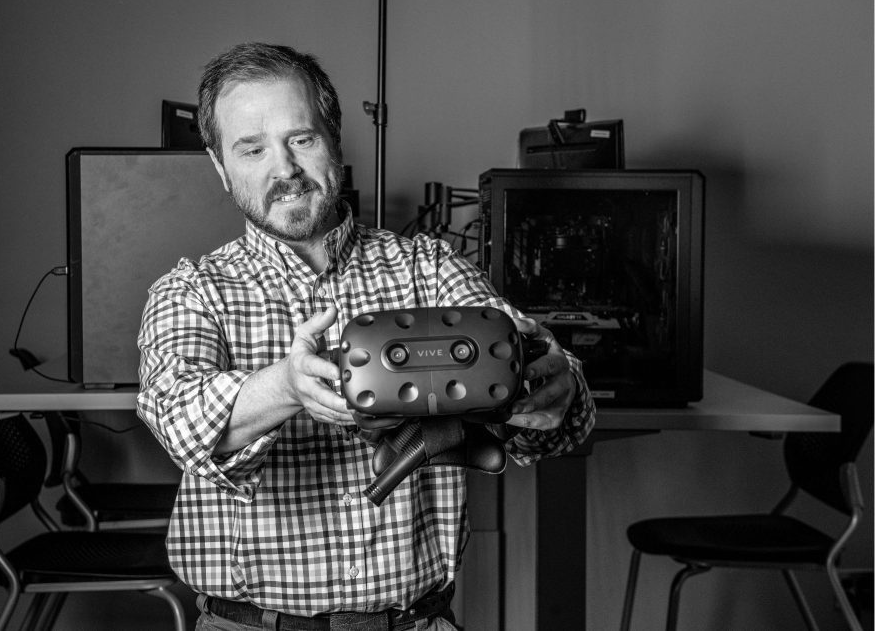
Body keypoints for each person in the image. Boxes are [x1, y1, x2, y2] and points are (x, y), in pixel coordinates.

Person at [137, 42, 595, 630]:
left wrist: (554, 385)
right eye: (252, 149)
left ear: (335, 139)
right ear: (221, 167)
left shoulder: (428, 268)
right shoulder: (191, 292)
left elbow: (550, 407)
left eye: (301, 139)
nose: (284, 170)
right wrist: (285, 386)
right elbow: (180, 420)